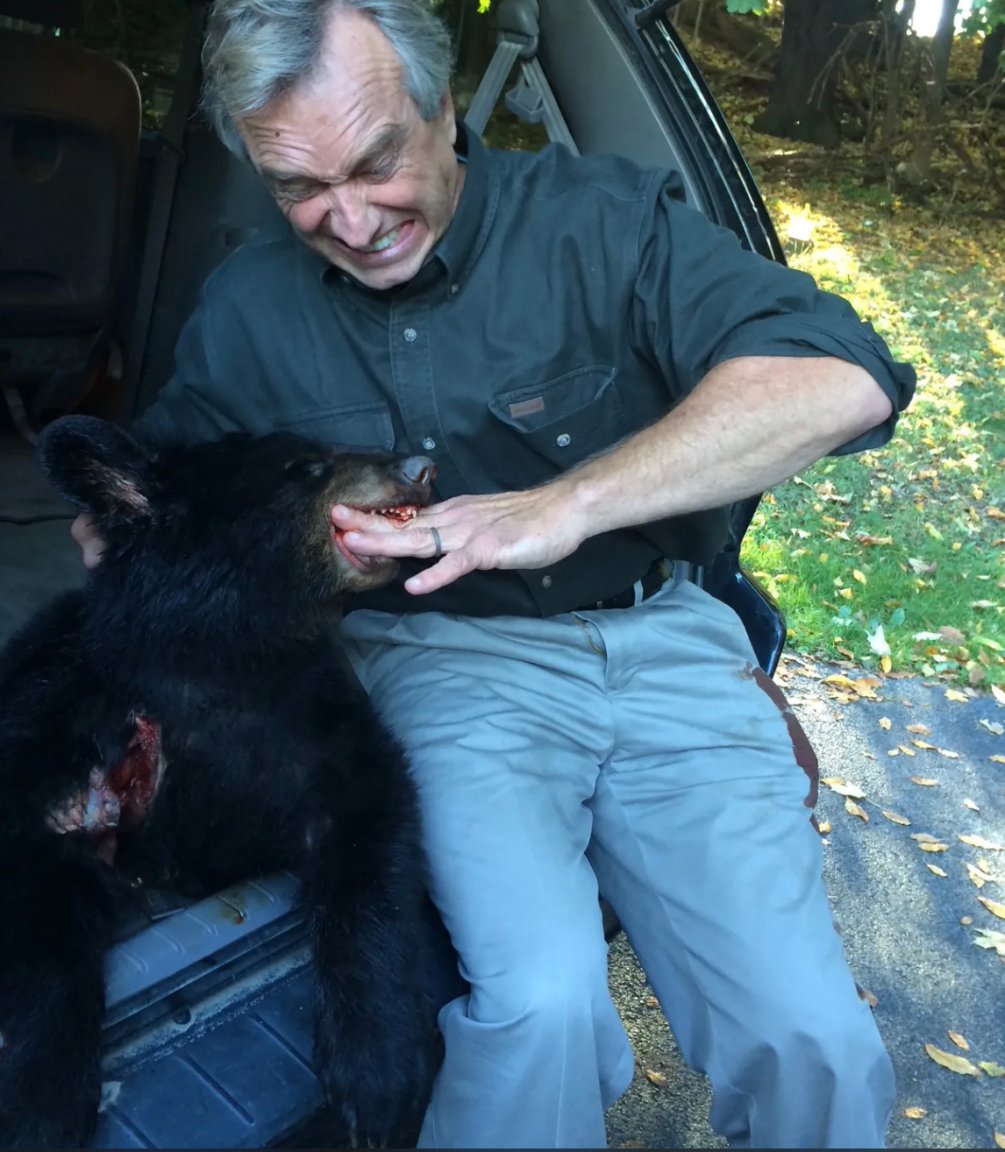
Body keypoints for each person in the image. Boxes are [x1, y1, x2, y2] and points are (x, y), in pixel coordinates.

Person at [73, 0, 916, 1146]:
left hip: (666, 643)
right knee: (539, 1003)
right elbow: (171, 493)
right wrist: (118, 543)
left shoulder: (601, 219)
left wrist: (568, 503)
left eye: (378, 162)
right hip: (442, 658)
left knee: (812, 1036)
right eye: (298, 188)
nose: (353, 220)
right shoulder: (250, 309)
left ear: (445, 107)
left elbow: (842, 378)